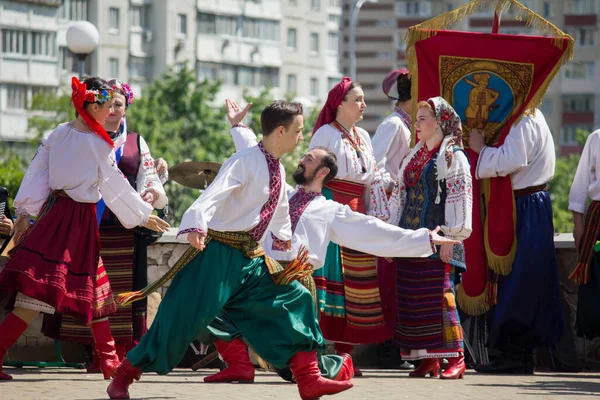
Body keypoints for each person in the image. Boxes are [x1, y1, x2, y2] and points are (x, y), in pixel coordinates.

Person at [199, 100, 461, 384]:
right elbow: (259, 157)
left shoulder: (330, 210)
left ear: (322, 172)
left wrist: (424, 239)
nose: (301, 160)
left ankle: (338, 364)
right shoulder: (283, 192)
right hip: (265, 279)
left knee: (292, 369)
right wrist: (238, 126)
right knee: (211, 303)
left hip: (295, 288)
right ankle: (240, 365)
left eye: (309, 159)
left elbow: (373, 231)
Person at [106, 100, 353, 400]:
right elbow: (214, 192)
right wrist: (196, 224)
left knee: (296, 296)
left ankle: (309, 378)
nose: (301, 137)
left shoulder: (276, 167)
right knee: (176, 321)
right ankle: (123, 376)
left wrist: (283, 238)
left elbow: (279, 210)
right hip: (216, 257)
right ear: (280, 131)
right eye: (299, 131)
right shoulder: (245, 161)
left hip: (249, 261)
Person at [0, 77, 169, 381]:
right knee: (40, 294)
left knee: (95, 289)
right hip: (74, 221)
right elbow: (114, 185)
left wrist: (25, 212)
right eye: (106, 106)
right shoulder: (97, 142)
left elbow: (37, 173)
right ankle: (108, 361)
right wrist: (144, 215)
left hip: (55, 217)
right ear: (92, 105)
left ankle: (108, 362)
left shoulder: (58, 133)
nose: (110, 113)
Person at [308, 77, 392, 374]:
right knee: (330, 282)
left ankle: (346, 355)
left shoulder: (364, 137)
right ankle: (317, 355)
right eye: (357, 99)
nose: (363, 105)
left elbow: (371, 180)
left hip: (358, 212)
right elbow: (313, 178)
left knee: (358, 286)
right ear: (339, 104)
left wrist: (377, 216)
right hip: (332, 210)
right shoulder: (326, 134)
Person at [469, 109, 563, 374]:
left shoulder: (525, 119)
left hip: (523, 205)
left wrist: (480, 148)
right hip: (524, 203)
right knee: (522, 278)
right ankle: (515, 353)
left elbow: (513, 159)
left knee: (521, 279)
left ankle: (515, 354)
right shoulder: (528, 116)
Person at [387, 97, 472, 379]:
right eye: (417, 118)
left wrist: (451, 237)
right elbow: (400, 195)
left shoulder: (453, 156)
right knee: (413, 299)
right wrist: (391, 236)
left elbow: (460, 200)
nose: (417, 124)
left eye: (422, 119)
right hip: (412, 240)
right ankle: (428, 359)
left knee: (440, 298)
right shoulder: (415, 155)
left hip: (439, 241)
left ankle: (456, 358)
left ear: (440, 123)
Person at [371, 69, 414, 370]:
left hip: (407, 207)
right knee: (389, 278)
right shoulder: (394, 123)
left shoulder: (411, 123)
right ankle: (388, 345)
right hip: (392, 210)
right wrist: (396, 185)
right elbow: (376, 163)